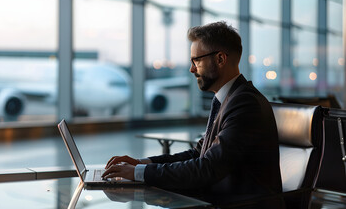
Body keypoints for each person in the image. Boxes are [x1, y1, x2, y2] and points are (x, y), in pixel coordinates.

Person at [102, 21, 283, 207]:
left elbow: (208, 168)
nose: (192, 69)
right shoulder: (226, 98)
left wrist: (138, 173)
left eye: (196, 60)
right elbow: (198, 154)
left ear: (220, 59)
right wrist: (141, 164)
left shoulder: (245, 103)